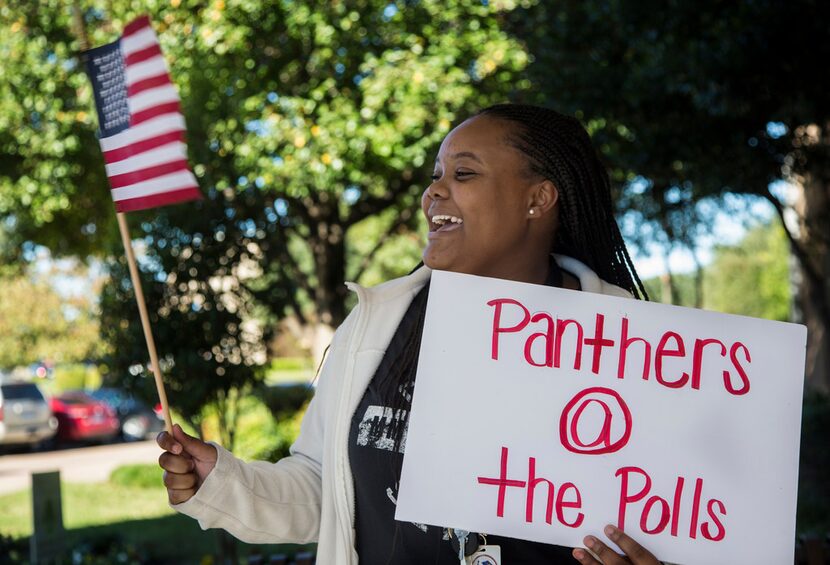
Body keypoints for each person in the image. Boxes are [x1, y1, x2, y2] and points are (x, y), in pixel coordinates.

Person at [157, 104, 663, 564]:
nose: (434, 192)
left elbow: (679, 519)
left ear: (539, 198)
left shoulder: (633, 347)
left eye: (464, 173)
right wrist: (219, 482)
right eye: (436, 175)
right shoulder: (376, 324)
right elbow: (325, 492)